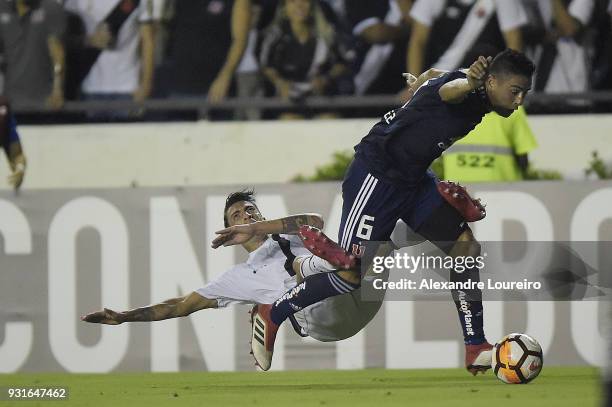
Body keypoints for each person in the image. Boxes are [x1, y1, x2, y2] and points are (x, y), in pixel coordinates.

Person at [244, 49, 536, 374]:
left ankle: (475, 346)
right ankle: (273, 312)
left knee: (464, 247)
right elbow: (448, 89)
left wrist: (419, 83)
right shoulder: (465, 87)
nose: (520, 100)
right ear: (492, 80)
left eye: (524, 92)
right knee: (353, 274)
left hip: (413, 180)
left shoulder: (479, 91)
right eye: (515, 91)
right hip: (376, 177)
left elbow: (434, 77)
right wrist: (465, 82)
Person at [81, 190, 388, 371]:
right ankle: (306, 284)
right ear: (229, 232)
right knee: (300, 263)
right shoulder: (238, 277)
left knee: (385, 233)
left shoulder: (295, 231)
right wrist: (124, 317)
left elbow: (314, 221)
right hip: (325, 320)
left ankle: (434, 205)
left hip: (358, 296)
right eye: (237, 214)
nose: (246, 214)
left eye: (250, 210)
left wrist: (263, 227)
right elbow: (181, 305)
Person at [64, 0, 163, 109]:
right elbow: (61, 35)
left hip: (127, 88)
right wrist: (88, 41)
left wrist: (146, 85)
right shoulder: (76, 2)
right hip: (90, 87)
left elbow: (148, 40)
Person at [258, 0, 349, 119]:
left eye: (305, 1)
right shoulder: (274, 35)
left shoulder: (326, 33)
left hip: (320, 98)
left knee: (329, 120)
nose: (299, 6)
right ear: (284, 8)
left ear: (312, 6)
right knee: (290, 121)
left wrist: (325, 79)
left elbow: (342, 63)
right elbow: (265, 66)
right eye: (293, 2)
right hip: (286, 100)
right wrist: (279, 82)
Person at [408, 0, 526, 76]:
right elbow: (418, 41)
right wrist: (414, 86)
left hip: (484, 86)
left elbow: (514, 44)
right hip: (438, 82)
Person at [442, 106, 537, 182]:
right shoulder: (513, 109)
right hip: (501, 190)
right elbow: (523, 160)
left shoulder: (450, 108)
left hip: (456, 191)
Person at [0, 0, 66, 109]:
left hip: (44, 103)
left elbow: (58, 54)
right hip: (10, 102)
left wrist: (57, 90)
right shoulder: (2, 9)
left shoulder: (51, 9)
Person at [0, 97, 26, 189]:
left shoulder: (3, 104)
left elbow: (18, 156)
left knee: (17, 160)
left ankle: (18, 176)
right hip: (9, 135)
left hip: (9, 135)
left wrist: (20, 168)